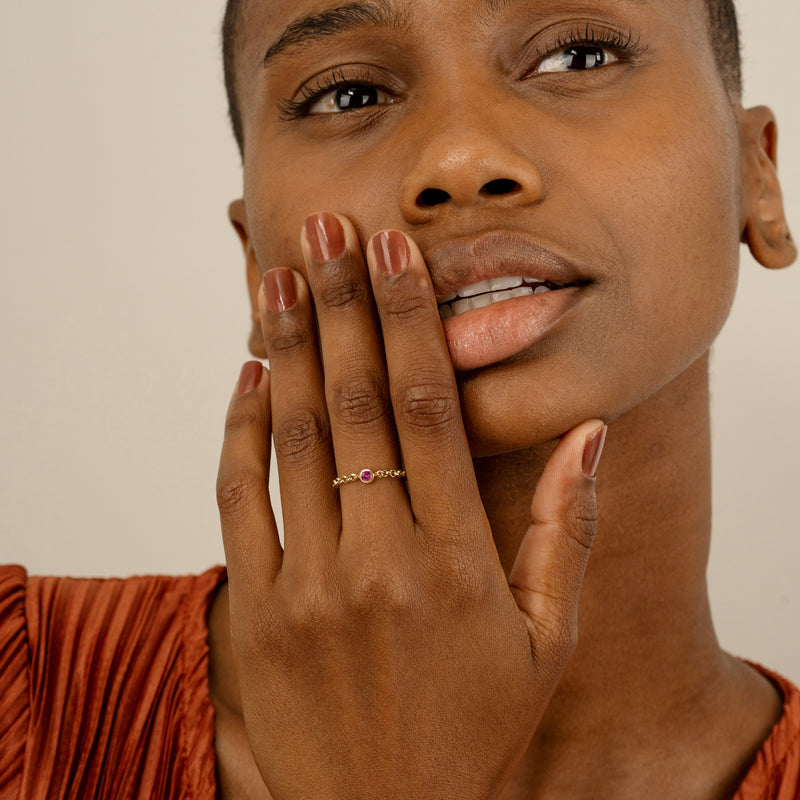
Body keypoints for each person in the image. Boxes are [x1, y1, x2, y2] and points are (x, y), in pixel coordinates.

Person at [1, 0, 798, 798]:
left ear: (757, 176)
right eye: (348, 96)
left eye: (579, 57)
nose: (457, 159)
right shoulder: (22, 689)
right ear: (256, 268)